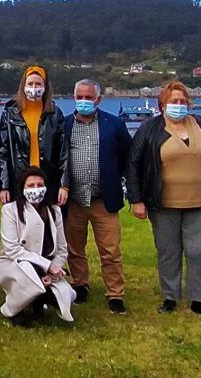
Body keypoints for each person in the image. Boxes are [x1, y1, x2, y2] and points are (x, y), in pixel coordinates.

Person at [126, 81, 201, 319]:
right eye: (174, 101)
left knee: (199, 251)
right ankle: (170, 297)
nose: (179, 105)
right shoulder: (150, 128)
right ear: (162, 104)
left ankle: (199, 300)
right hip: (163, 204)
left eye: (183, 101)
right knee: (168, 251)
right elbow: (133, 163)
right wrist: (136, 199)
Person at [61, 79, 133, 314]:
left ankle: (115, 294)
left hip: (104, 199)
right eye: (79, 97)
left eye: (88, 97)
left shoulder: (114, 125)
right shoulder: (64, 125)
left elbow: (127, 156)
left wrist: (121, 182)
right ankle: (80, 285)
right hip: (74, 201)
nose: (83, 101)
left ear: (98, 99)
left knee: (110, 250)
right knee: (74, 248)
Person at [0, 167, 75, 326]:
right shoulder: (10, 210)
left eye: (40, 184)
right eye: (30, 185)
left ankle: (40, 299)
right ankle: (15, 310)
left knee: (66, 294)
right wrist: (45, 266)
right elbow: (12, 249)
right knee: (27, 277)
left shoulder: (55, 211)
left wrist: (53, 271)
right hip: (15, 262)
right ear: (22, 188)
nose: (36, 189)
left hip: (47, 265)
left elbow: (62, 249)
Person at [0, 65, 66, 205]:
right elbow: (2, 152)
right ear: (23, 85)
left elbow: (63, 152)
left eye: (38, 84)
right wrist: (3, 185)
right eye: (30, 83)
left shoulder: (55, 114)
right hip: (20, 181)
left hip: (47, 180)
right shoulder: (10, 114)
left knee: (48, 224)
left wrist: (64, 185)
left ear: (45, 86)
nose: (34, 87)